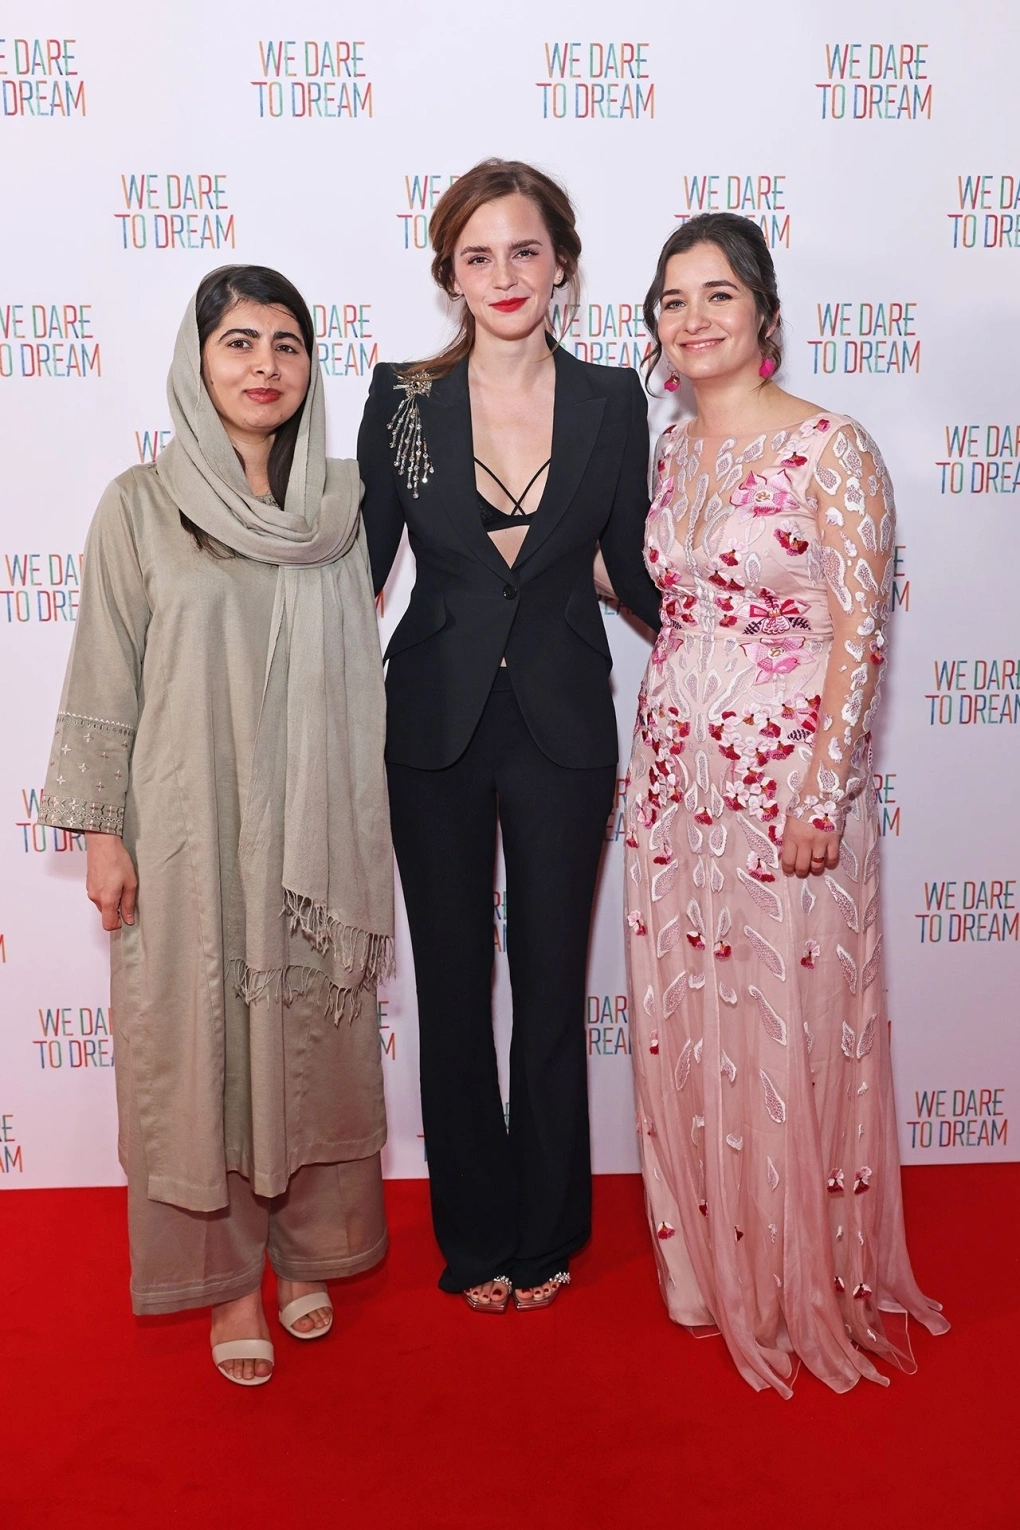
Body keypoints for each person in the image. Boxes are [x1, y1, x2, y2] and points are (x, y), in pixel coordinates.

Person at [40, 265, 393, 1386]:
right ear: (197, 362)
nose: (264, 366)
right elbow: (104, 672)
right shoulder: (140, 505)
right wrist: (102, 832)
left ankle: (308, 1252)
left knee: (309, 1039)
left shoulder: (338, 510)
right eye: (239, 342)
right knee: (199, 1051)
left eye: (287, 343)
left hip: (309, 833)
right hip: (188, 823)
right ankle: (225, 1281)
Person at [623, 213, 948, 1395]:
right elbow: (672, 592)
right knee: (689, 1012)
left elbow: (862, 634)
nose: (695, 317)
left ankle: (797, 1273)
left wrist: (826, 789)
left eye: (718, 293)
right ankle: (711, 1270)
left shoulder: (832, 448)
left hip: (786, 788)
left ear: (764, 311)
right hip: (673, 780)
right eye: (673, 299)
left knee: (788, 1020)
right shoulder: (670, 454)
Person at [357, 159, 659, 1312]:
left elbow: (626, 566)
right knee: (449, 984)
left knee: (549, 984)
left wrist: (744, 631)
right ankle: (475, 1234)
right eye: (476, 256)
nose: (503, 275)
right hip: (431, 723)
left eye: (524, 250)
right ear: (450, 274)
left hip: (563, 723)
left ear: (562, 262)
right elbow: (362, 574)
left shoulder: (612, 402)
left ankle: (549, 1230)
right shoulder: (404, 400)